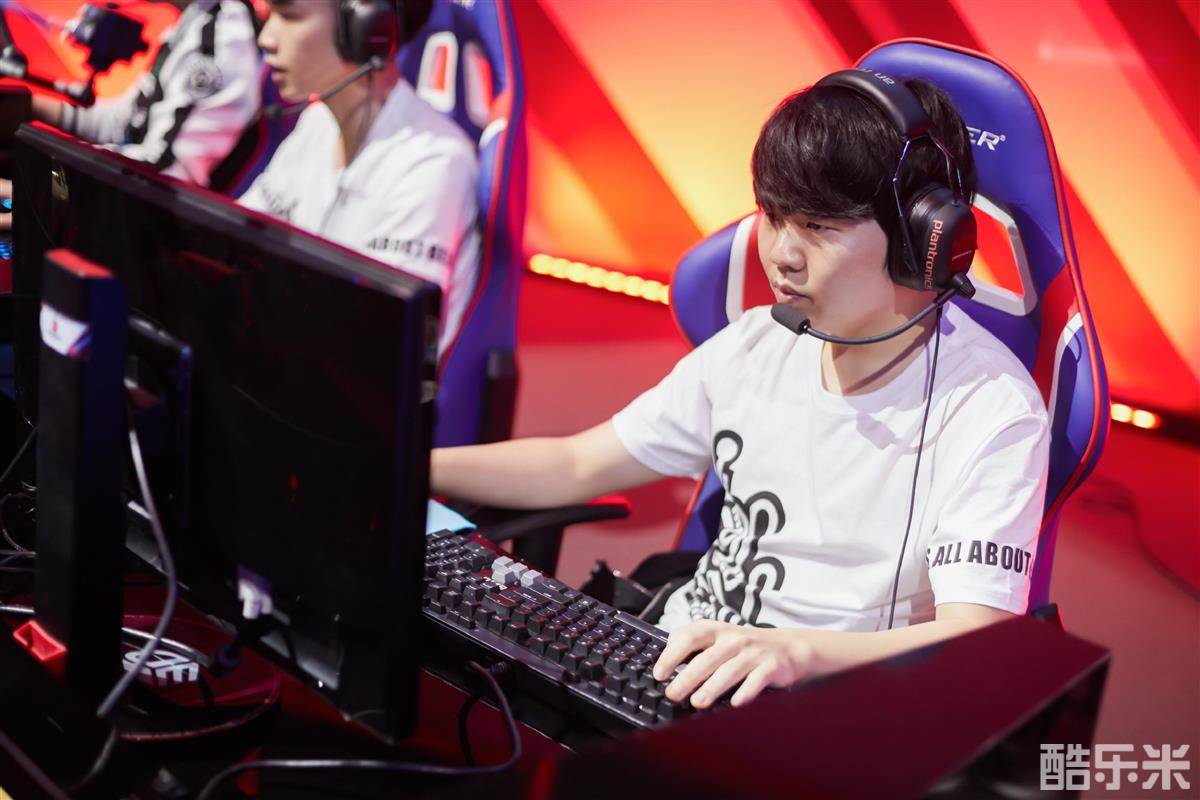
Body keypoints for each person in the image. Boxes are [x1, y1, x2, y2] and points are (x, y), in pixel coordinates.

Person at [431, 73, 1050, 710]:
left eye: (818, 225)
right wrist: (407, 465)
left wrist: (797, 653)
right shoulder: (758, 342)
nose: (782, 255)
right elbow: (576, 463)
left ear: (927, 241)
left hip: (815, 712)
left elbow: (977, 635)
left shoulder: (990, 408)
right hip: (675, 664)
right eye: (774, 218)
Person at [238, 0, 479, 355]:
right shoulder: (316, 124)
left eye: (289, 16)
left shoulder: (434, 163)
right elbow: (237, 240)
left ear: (367, 29)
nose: (267, 38)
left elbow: (375, 346)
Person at [31, 0, 262, 188]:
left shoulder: (221, 37)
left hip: (151, 222)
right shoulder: (197, 16)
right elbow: (125, 125)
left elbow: (165, 173)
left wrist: (47, 177)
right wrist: (28, 105)